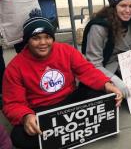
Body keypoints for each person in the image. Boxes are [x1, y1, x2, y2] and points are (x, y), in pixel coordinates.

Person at [2, 11, 123, 149]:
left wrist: (107, 84)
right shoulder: (14, 68)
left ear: (53, 38)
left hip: (69, 100)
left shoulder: (66, 50)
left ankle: (64, 135)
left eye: (47, 37)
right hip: (40, 110)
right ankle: (74, 132)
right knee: (18, 136)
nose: (43, 43)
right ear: (27, 40)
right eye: (36, 38)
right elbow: (12, 103)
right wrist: (26, 116)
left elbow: (86, 70)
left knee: (104, 95)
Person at [82, 0, 131, 98]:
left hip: (123, 65)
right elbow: (93, 63)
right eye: (123, 6)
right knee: (99, 96)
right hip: (104, 67)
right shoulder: (98, 27)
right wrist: (115, 80)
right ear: (114, 7)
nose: (128, 10)